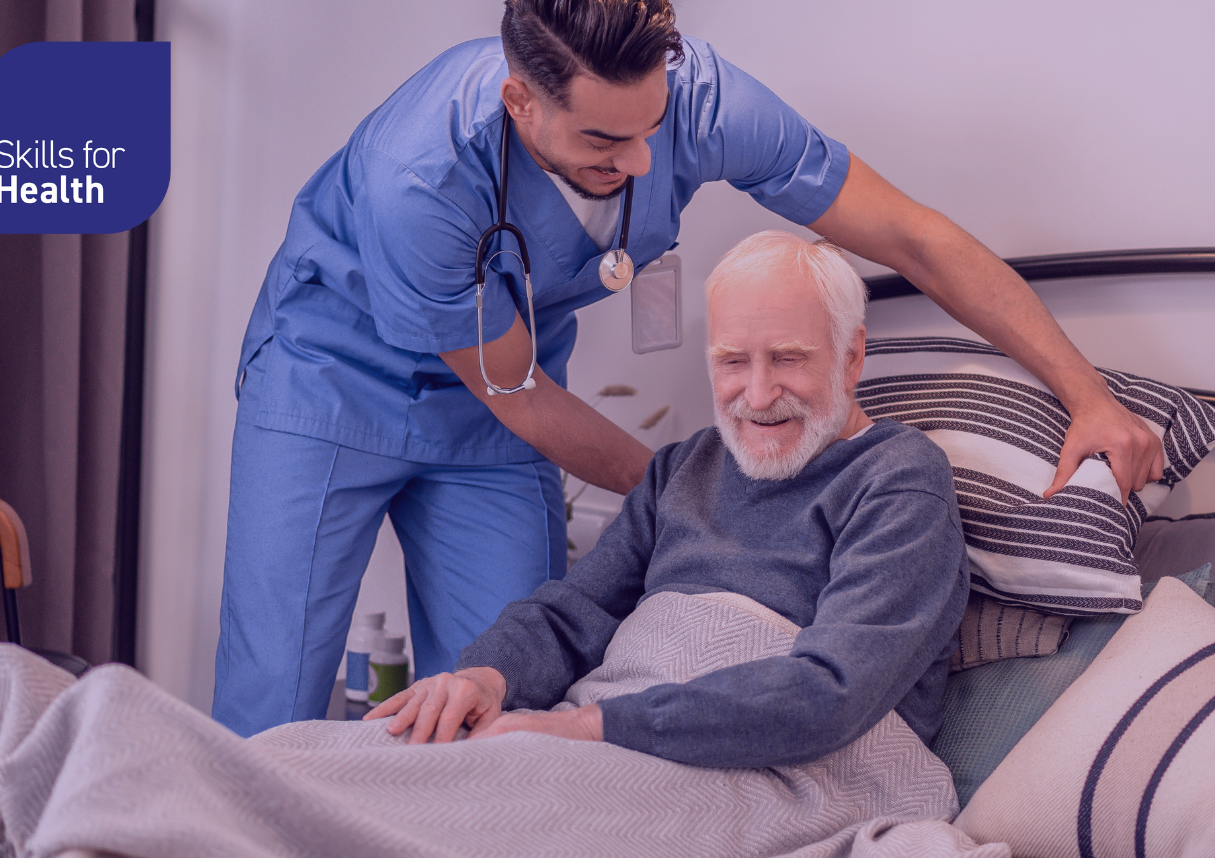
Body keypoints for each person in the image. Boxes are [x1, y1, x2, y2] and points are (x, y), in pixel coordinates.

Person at [216, 0, 1163, 737]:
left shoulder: (702, 100)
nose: (637, 163)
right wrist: (709, 498)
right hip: (334, 385)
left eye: (651, 130)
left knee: (496, 696)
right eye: (601, 142)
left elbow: (910, 236)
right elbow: (525, 399)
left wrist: (1087, 394)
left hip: (505, 412)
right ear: (519, 103)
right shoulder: (416, 177)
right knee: (276, 697)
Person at [366, 231, 968, 764]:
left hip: (760, 760)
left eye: (788, 358)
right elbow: (576, 613)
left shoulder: (897, 478)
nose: (757, 396)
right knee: (322, 763)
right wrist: (488, 676)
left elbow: (833, 693)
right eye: (733, 361)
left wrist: (593, 727)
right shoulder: (685, 466)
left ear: (852, 356)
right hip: (615, 724)